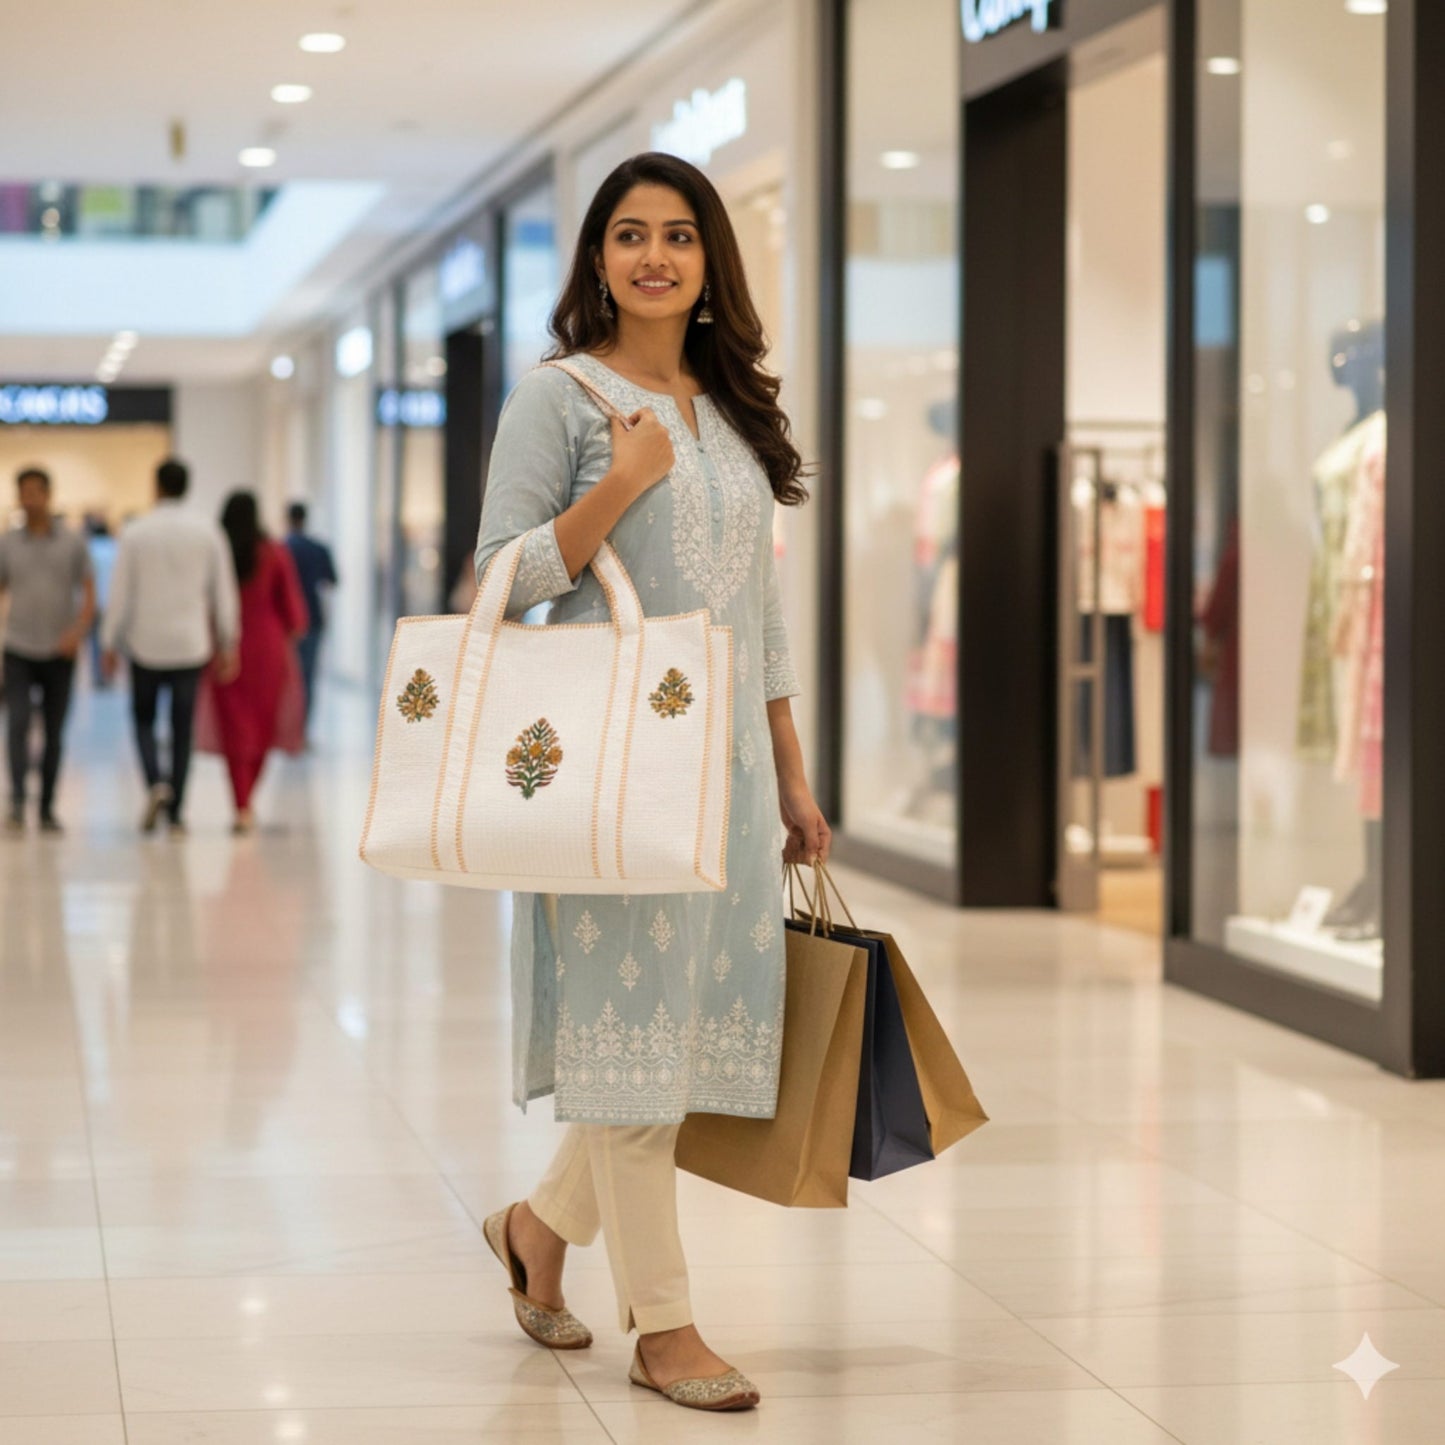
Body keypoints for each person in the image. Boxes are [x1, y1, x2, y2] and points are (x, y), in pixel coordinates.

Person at [472, 152, 829, 1413]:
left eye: (678, 235)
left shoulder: (729, 411)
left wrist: (789, 772)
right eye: (628, 236)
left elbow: (761, 614)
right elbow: (496, 584)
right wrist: (615, 486)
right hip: (616, 772)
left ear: (710, 260)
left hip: (726, 776)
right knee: (631, 1047)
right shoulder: (557, 399)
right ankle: (666, 1327)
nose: (653, 257)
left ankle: (535, 1227)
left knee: (664, 1052)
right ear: (597, 261)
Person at [102, 458, 241, 835]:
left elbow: (120, 593)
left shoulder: (136, 533)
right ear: (187, 486)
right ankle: (177, 812)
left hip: (145, 643)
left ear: (157, 486)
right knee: (183, 728)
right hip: (190, 644)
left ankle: (155, 783)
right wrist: (229, 641)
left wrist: (109, 640)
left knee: (143, 719)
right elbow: (223, 592)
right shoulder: (208, 531)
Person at [197, 492, 307, 834]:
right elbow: (292, 610)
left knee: (235, 731)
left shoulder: (217, 553)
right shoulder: (274, 553)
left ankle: (241, 803)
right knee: (262, 727)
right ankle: (247, 802)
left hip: (225, 649)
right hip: (268, 650)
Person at [0, 467, 95, 833]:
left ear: (48, 495)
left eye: (35, 492)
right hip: (19, 647)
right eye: (23, 493)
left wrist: (79, 631)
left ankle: (47, 807)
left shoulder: (72, 542)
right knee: (18, 723)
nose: (29, 500)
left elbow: (88, 592)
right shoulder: (8, 543)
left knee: (54, 732)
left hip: (60, 650)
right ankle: (17, 800)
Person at [283, 500, 338, 731]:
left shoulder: (281, 548)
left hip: (285, 621)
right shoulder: (318, 548)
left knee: (286, 678)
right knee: (308, 676)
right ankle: (301, 730)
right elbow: (332, 580)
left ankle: (286, 728)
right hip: (312, 617)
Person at [84, 514, 118, 687]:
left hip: (95, 603)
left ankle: (99, 675)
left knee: (96, 641)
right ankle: (110, 674)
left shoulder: (90, 550)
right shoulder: (115, 548)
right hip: (112, 602)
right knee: (111, 641)